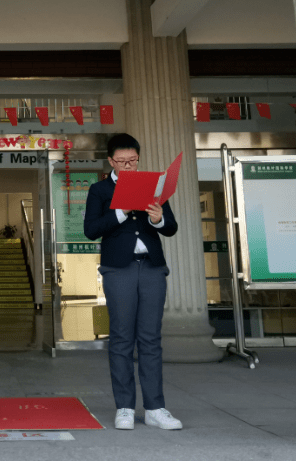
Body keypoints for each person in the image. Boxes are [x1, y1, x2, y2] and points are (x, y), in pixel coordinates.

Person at [83, 133, 182, 431]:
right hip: (119, 269)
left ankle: (155, 407)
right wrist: (121, 212)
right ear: (111, 160)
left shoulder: (154, 186)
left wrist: (157, 218)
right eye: (122, 162)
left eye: (133, 161)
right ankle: (124, 406)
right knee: (123, 337)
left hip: (151, 267)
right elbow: (91, 229)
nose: (129, 166)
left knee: (151, 338)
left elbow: (171, 227)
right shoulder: (99, 190)